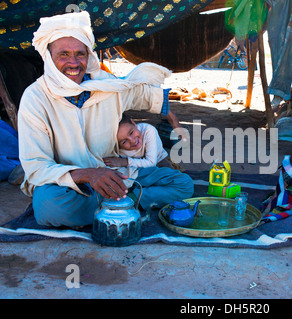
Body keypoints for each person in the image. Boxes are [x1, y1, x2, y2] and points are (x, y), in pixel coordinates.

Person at [18, 11, 194, 227]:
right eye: (63, 54)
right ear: (49, 57)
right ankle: (126, 205)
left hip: (117, 176)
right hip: (70, 185)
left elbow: (146, 96)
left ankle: (118, 204)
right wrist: (89, 175)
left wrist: (173, 120)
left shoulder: (106, 86)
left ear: (88, 56)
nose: (73, 63)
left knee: (183, 184)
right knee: (49, 205)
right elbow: (36, 166)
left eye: (79, 54)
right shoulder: (36, 98)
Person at [102, 114, 170, 169]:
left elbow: (151, 163)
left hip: (159, 160)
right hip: (134, 167)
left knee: (173, 178)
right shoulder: (115, 148)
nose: (132, 141)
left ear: (133, 123)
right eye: (124, 141)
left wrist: (124, 162)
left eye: (131, 133)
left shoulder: (148, 131)